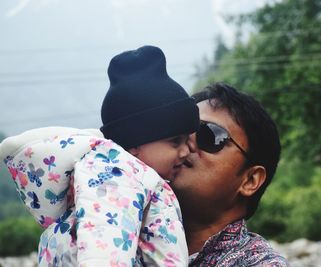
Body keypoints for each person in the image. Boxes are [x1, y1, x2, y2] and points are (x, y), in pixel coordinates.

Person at [0, 45, 199, 266]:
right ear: (135, 142)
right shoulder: (115, 176)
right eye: (175, 141)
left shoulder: (133, 179)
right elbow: (104, 247)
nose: (186, 150)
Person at [170, 82, 289, 266]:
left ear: (250, 180)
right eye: (183, 131)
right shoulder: (127, 233)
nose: (186, 143)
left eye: (210, 135)